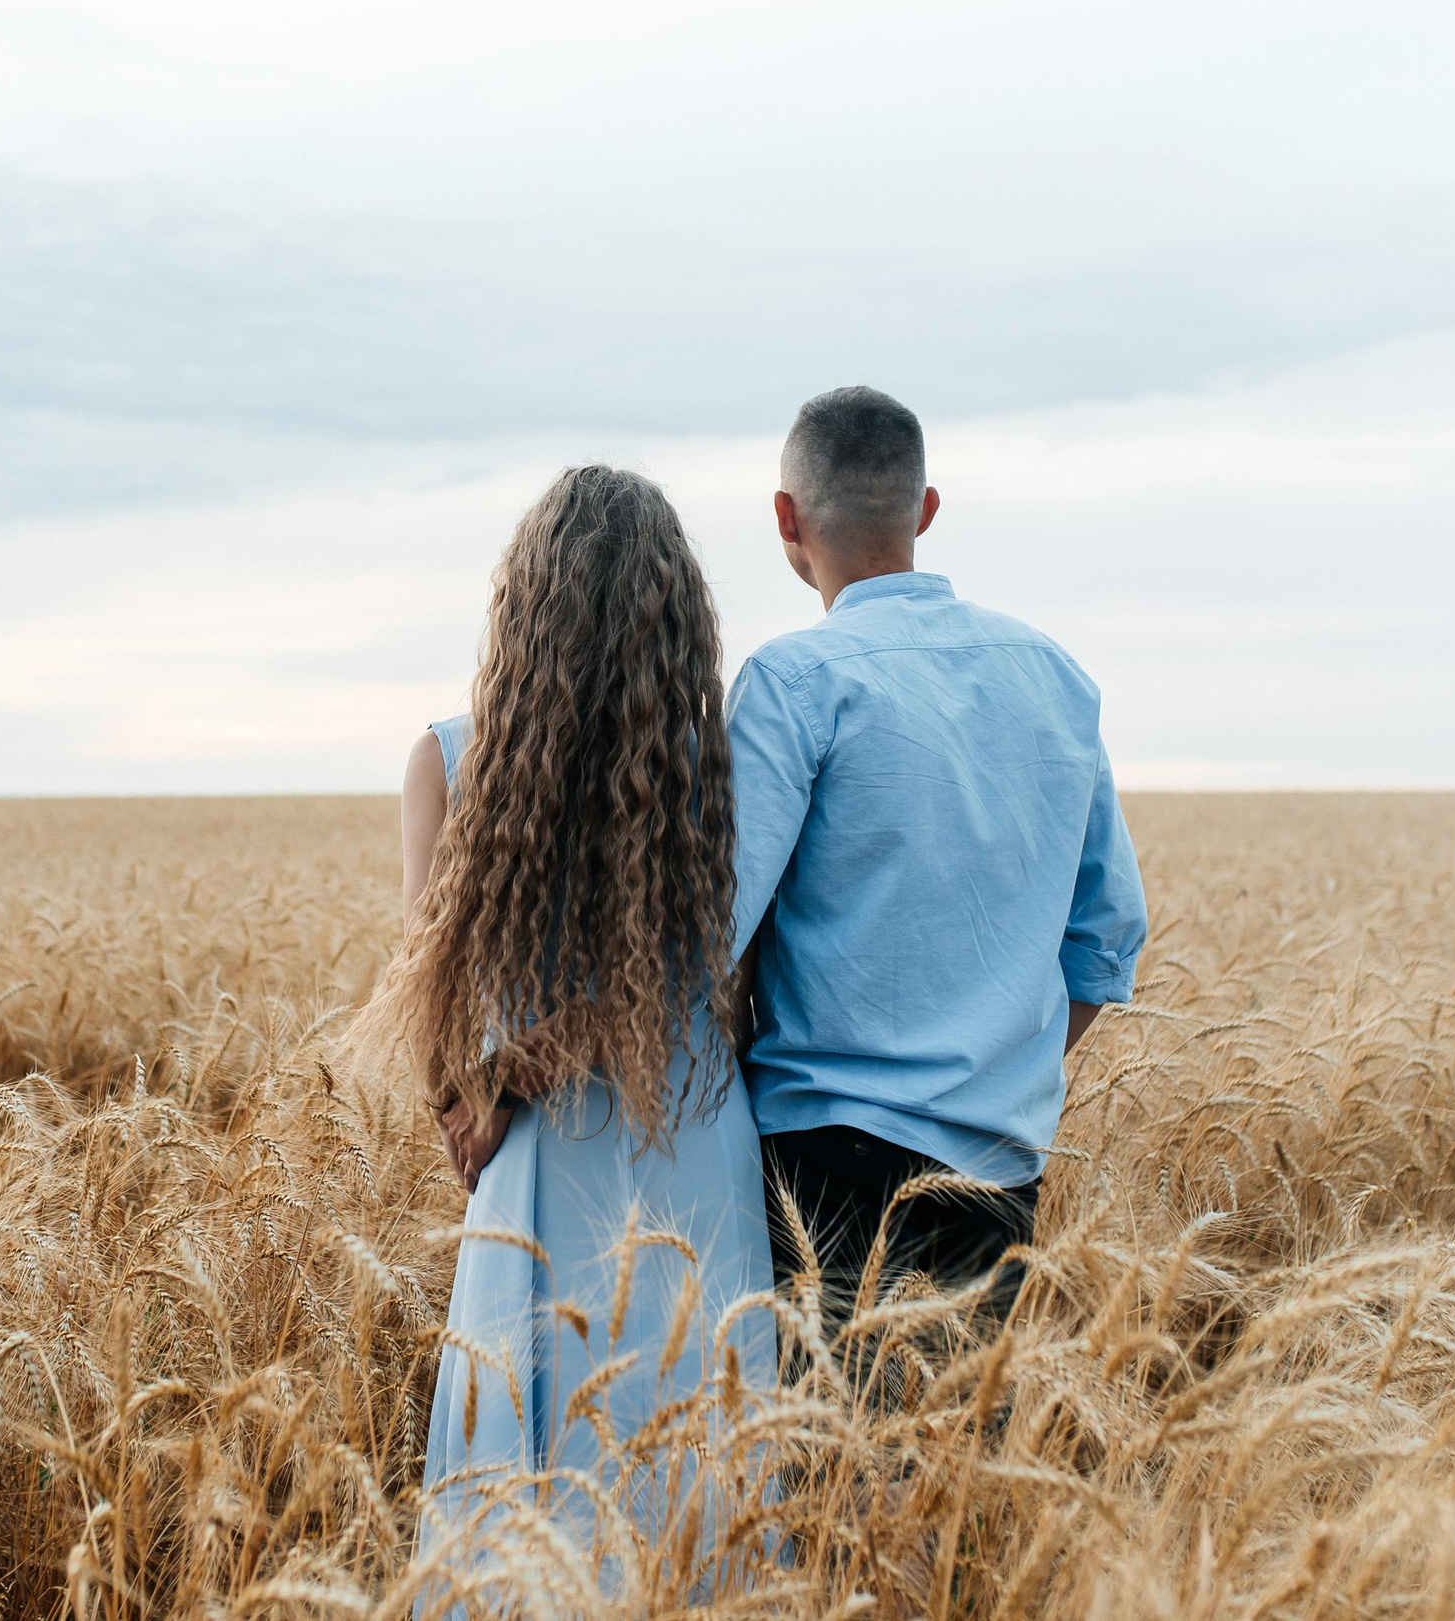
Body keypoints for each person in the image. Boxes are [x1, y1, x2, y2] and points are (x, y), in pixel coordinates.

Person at [371, 464, 776, 1576]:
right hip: (692, 1139)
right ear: (676, 613)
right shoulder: (722, 771)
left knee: (523, 1481)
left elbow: (430, 999)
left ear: (524, 603)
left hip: (530, 1159)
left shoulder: (447, 759)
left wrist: (473, 1100)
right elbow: (734, 985)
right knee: (702, 1467)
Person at [728, 386, 1148, 1331]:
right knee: (962, 1426)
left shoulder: (792, 682)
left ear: (786, 518)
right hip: (998, 1163)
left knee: (825, 1422)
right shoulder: (1055, 675)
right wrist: (987, 1071)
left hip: (819, 1160)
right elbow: (1109, 939)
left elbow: (712, 932)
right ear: (924, 510)